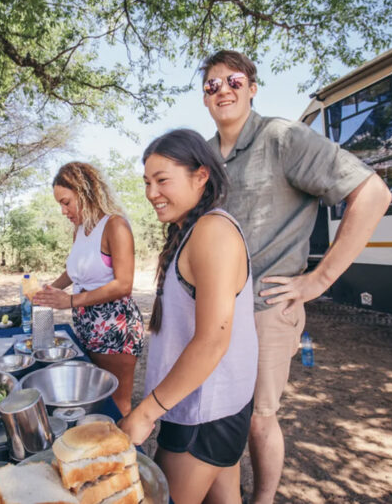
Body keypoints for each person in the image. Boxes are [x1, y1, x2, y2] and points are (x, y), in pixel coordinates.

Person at [200, 50, 392, 503]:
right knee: (217, 412)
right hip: (213, 311)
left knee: (257, 418)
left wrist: (317, 281)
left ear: (251, 87)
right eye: (212, 84)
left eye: (233, 80)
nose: (222, 89)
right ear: (204, 98)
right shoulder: (203, 155)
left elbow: (373, 193)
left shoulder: (282, 137)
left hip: (267, 308)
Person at [120, 129, 258, 503]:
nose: (151, 193)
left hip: (205, 410)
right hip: (213, 403)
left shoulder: (212, 231)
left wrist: (146, 413)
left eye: (163, 180)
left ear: (201, 176)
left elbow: (213, 340)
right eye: (147, 182)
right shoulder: (190, 231)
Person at [33, 162, 145, 416]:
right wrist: (47, 291)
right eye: (60, 205)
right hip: (86, 326)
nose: (63, 211)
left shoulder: (115, 226)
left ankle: (126, 451)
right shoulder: (80, 231)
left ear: (85, 192)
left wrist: (70, 301)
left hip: (115, 327)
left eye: (66, 202)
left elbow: (123, 285)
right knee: (95, 401)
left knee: (117, 404)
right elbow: (74, 272)